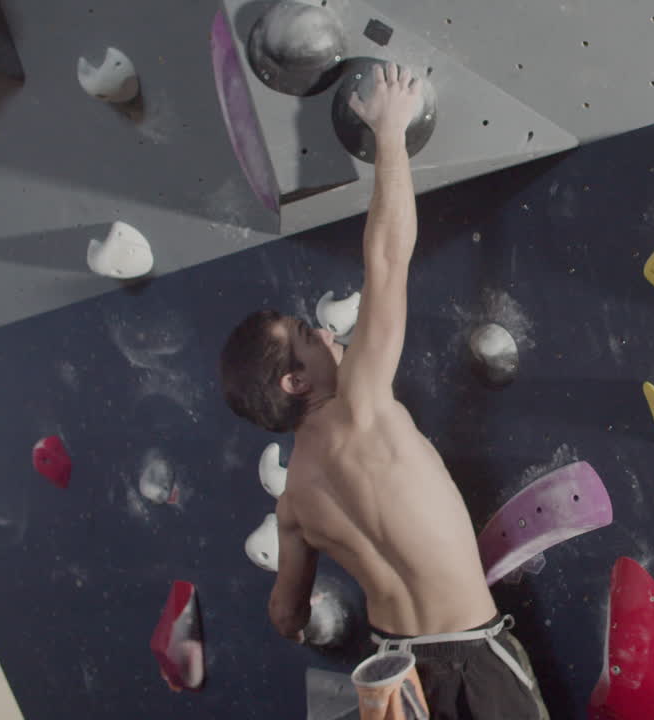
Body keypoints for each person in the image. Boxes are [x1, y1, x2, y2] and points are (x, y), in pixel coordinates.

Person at [219, 63, 548, 720]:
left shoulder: (294, 509)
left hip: (395, 679)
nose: (323, 332)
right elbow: (388, 258)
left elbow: (286, 614)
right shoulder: (362, 407)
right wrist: (391, 130)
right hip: (471, 657)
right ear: (296, 381)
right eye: (307, 335)